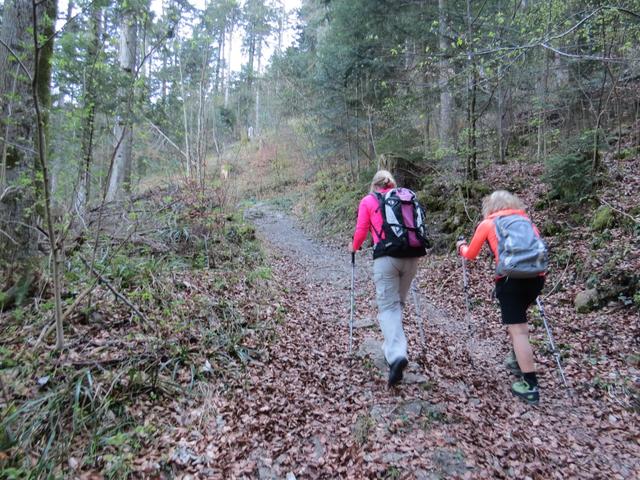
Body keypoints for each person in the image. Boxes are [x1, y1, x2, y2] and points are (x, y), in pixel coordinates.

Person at [456, 190, 545, 405]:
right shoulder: (526, 222)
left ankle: (530, 386)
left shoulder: (489, 223)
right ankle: (517, 360)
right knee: (520, 324)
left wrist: (461, 246)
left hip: (510, 280)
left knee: (518, 330)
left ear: (490, 206)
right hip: (537, 278)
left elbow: (471, 254)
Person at [349, 170, 426, 387]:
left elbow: (362, 229)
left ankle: (396, 354)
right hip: (411, 257)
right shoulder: (405, 198)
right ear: (392, 184)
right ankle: (390, 346)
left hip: (386, 258)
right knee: (397, 304)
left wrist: (354, 247)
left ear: (374, 185)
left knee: (388, 307)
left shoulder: (369, 200)